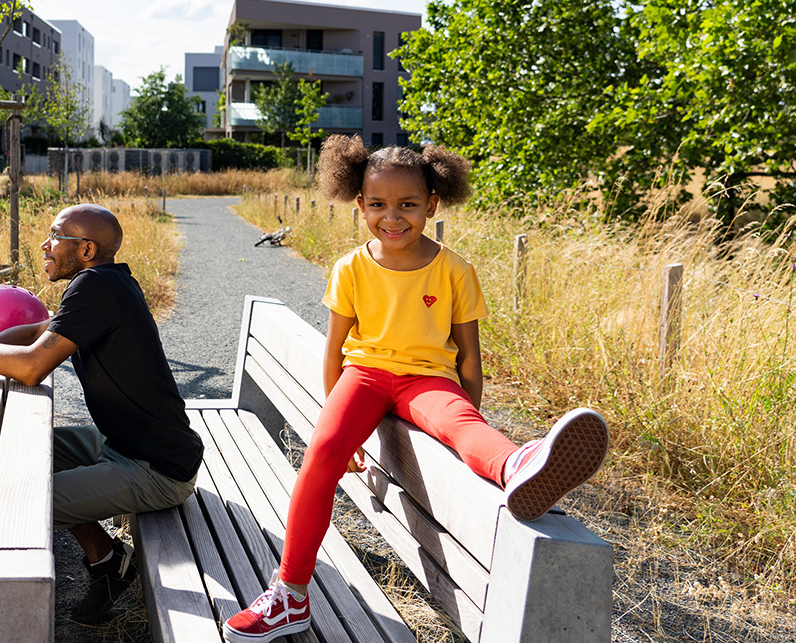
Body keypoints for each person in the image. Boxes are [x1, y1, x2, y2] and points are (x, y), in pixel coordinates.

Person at [223, 137, 610, 642]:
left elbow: (469, 357)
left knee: (461, 425)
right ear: (360, 204)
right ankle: (290, 594)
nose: (393, 216)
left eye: (408, 204)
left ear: (431, 203)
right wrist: (343, 435)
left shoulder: (454, 269)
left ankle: (520, 464)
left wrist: (464, 417)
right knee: (320, 454)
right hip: (364, 376)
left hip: (428, 380)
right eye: (378, 205)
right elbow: (335, 352)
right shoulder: (351, 268)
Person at [0, 203, 203, 624]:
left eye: (55, 236)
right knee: (16, 447)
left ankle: (7, 611)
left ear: (86, 249)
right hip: (120, 443)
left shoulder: (95, 287)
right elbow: (39, 332)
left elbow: (33, 368)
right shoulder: (106, 282)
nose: (44, 245)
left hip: (157, 468)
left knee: (26, 503)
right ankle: (107, 558)